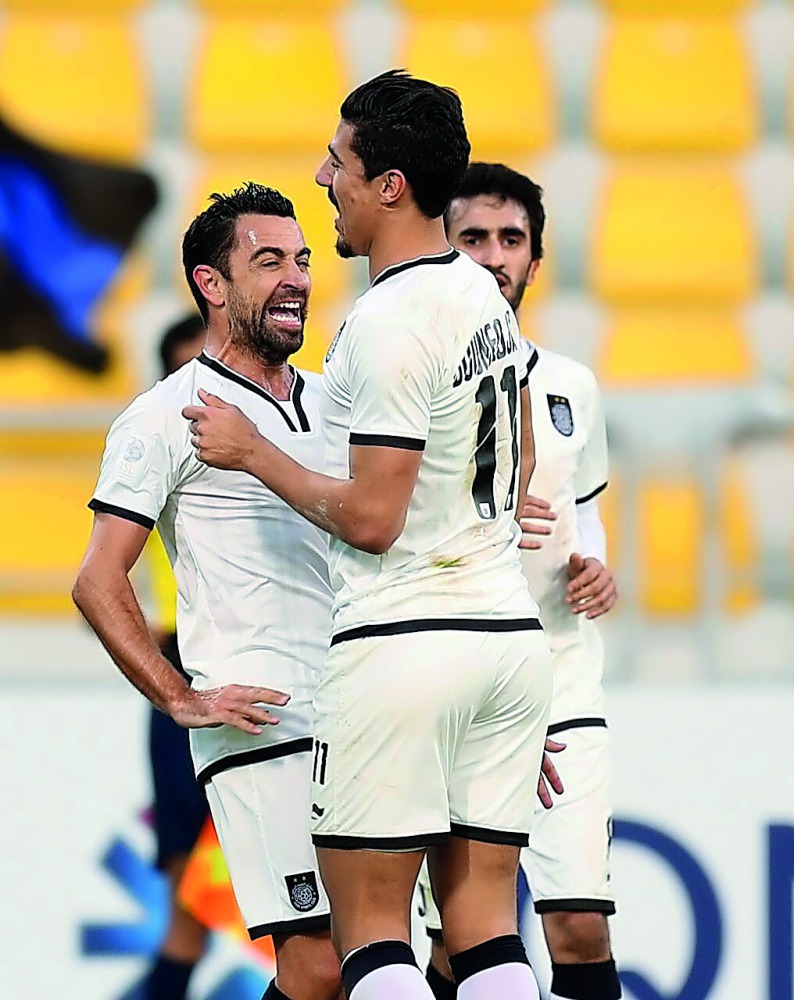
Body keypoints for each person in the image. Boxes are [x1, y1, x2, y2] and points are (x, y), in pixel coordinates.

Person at [183, 70, 553, 1000]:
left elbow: (375, 519)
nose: (323, 176)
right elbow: (519, 457)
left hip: (405, 638)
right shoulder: (482, 296)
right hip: (505, 637)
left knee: (373, 941)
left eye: (339, 161)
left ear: (388, 184)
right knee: (485, 937)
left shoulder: (387, 322)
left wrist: (252, 452)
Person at [72, 183, 343, 1000]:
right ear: (211, 285)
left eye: (301, 258)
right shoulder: (165, 417)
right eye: (269, 261)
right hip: (261, 719)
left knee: (390, 958)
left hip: (362, 709)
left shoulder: (340, 399)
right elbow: (97, 577)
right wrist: (181, 697)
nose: (296, 276)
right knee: (317, 965)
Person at [420, 162, 622, 1000]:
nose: (494, 256)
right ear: (444, 247)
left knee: (577, 927)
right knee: (456, 941)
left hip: (561, 683)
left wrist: (595, 571)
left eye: (512, 240)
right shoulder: (415, 373)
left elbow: (586, 512)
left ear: (536, 260)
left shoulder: (573, 384)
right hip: (454, 687)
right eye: (474, 238)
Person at [142, 314, 210, 999]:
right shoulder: (148, 459)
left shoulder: (275, 452)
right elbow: (99, 579)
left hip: (278, 690)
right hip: (183, 684)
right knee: (187, 909)